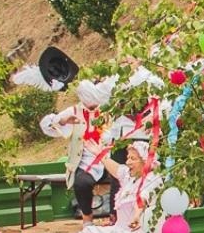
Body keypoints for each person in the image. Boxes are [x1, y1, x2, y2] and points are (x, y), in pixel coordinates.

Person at [51, 140, 164, 233]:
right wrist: (100, 153)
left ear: (145, 161)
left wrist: (137, 216)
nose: (127, 162)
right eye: (128, 158)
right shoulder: (129, 176)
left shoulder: (153, 179)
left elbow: (142, 199)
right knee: (89, 232)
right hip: (119, 229)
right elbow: (116, 168)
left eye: (133, 158)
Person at [40, 77, 135, 217]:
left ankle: (116, 217)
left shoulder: (111, 110)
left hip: (110, 158)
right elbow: (47, 127)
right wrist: (62, 120)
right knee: (81, 183)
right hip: (87, 162)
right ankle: (87, 218)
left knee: (120, 177)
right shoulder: (73, 111)